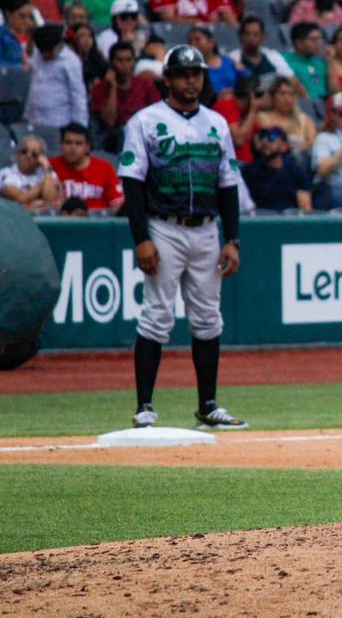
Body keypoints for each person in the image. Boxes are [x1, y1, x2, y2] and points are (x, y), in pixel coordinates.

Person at [116, 44, 246, 430]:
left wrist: (232, 239)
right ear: (168, 79)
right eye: (184, 73)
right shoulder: (144, 121)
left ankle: (208, 405)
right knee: (157, 315)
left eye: (197, 73)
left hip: (206, 229)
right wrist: (141, 237)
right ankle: (145, 407)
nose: (192, 80)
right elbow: (132, 184)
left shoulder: (216, 123)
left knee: (208, 319)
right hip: (164, 226)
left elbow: (228, 185)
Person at [23, 24, 87, 131]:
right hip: (34, 118)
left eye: (49, 51)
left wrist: (79, 125)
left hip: (58, 120)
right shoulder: (37, 56)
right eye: (43, 51)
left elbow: (78, 94)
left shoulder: (70, 61)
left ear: (58, 44)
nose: (46, 55)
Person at [49, 123, 124, 213]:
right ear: (61, 145)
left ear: (87, 147)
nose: (73, 147)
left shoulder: (104, 168)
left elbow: (117, 203)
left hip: (97, 223)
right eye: (68, 142)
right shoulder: (50, 165)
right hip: (62, 221)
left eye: (78, 143)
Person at [241, 125, 313, 212]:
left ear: (284, 146)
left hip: (289, 220)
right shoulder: (249, 171)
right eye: (262, 137)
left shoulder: (295, 171)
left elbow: (305, 207)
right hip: (260, 219)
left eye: (271, 137)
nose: (265, 141)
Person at [0, 133, 61, 210]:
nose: (28, 156)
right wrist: (41, 187)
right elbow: (20, 199)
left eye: (34, 154)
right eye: (24, 151)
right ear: (17, 154)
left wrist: (46, 167)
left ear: (40, 159)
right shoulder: (5, 174)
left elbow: (51, 199)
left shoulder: (48, 174)